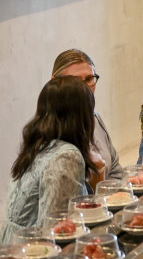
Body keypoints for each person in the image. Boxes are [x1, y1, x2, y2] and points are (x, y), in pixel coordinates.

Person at [1, 77, 98, 244]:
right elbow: (56, 231)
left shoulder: (38, 146)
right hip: (32, 256)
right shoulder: (67, 157)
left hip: (13, 248)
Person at [52, 49, 123, 183]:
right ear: (55, 83)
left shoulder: (94, 117)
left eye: (89, 79)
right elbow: (69, 197)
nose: (84, 88)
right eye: (75, 81)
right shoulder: (50, 129)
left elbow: (115, 171)